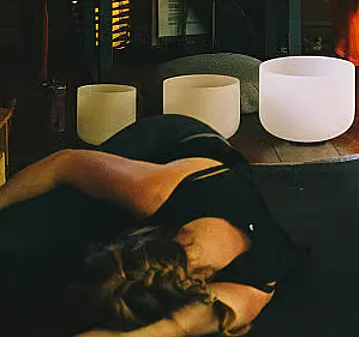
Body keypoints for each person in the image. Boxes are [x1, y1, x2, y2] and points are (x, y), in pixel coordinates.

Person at [0, 115, 300, 337]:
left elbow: (170, 328)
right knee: (34, 225)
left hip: (201, 194)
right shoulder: (152, 192)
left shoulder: (249, 281)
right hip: (171, 140)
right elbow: (64, 163)